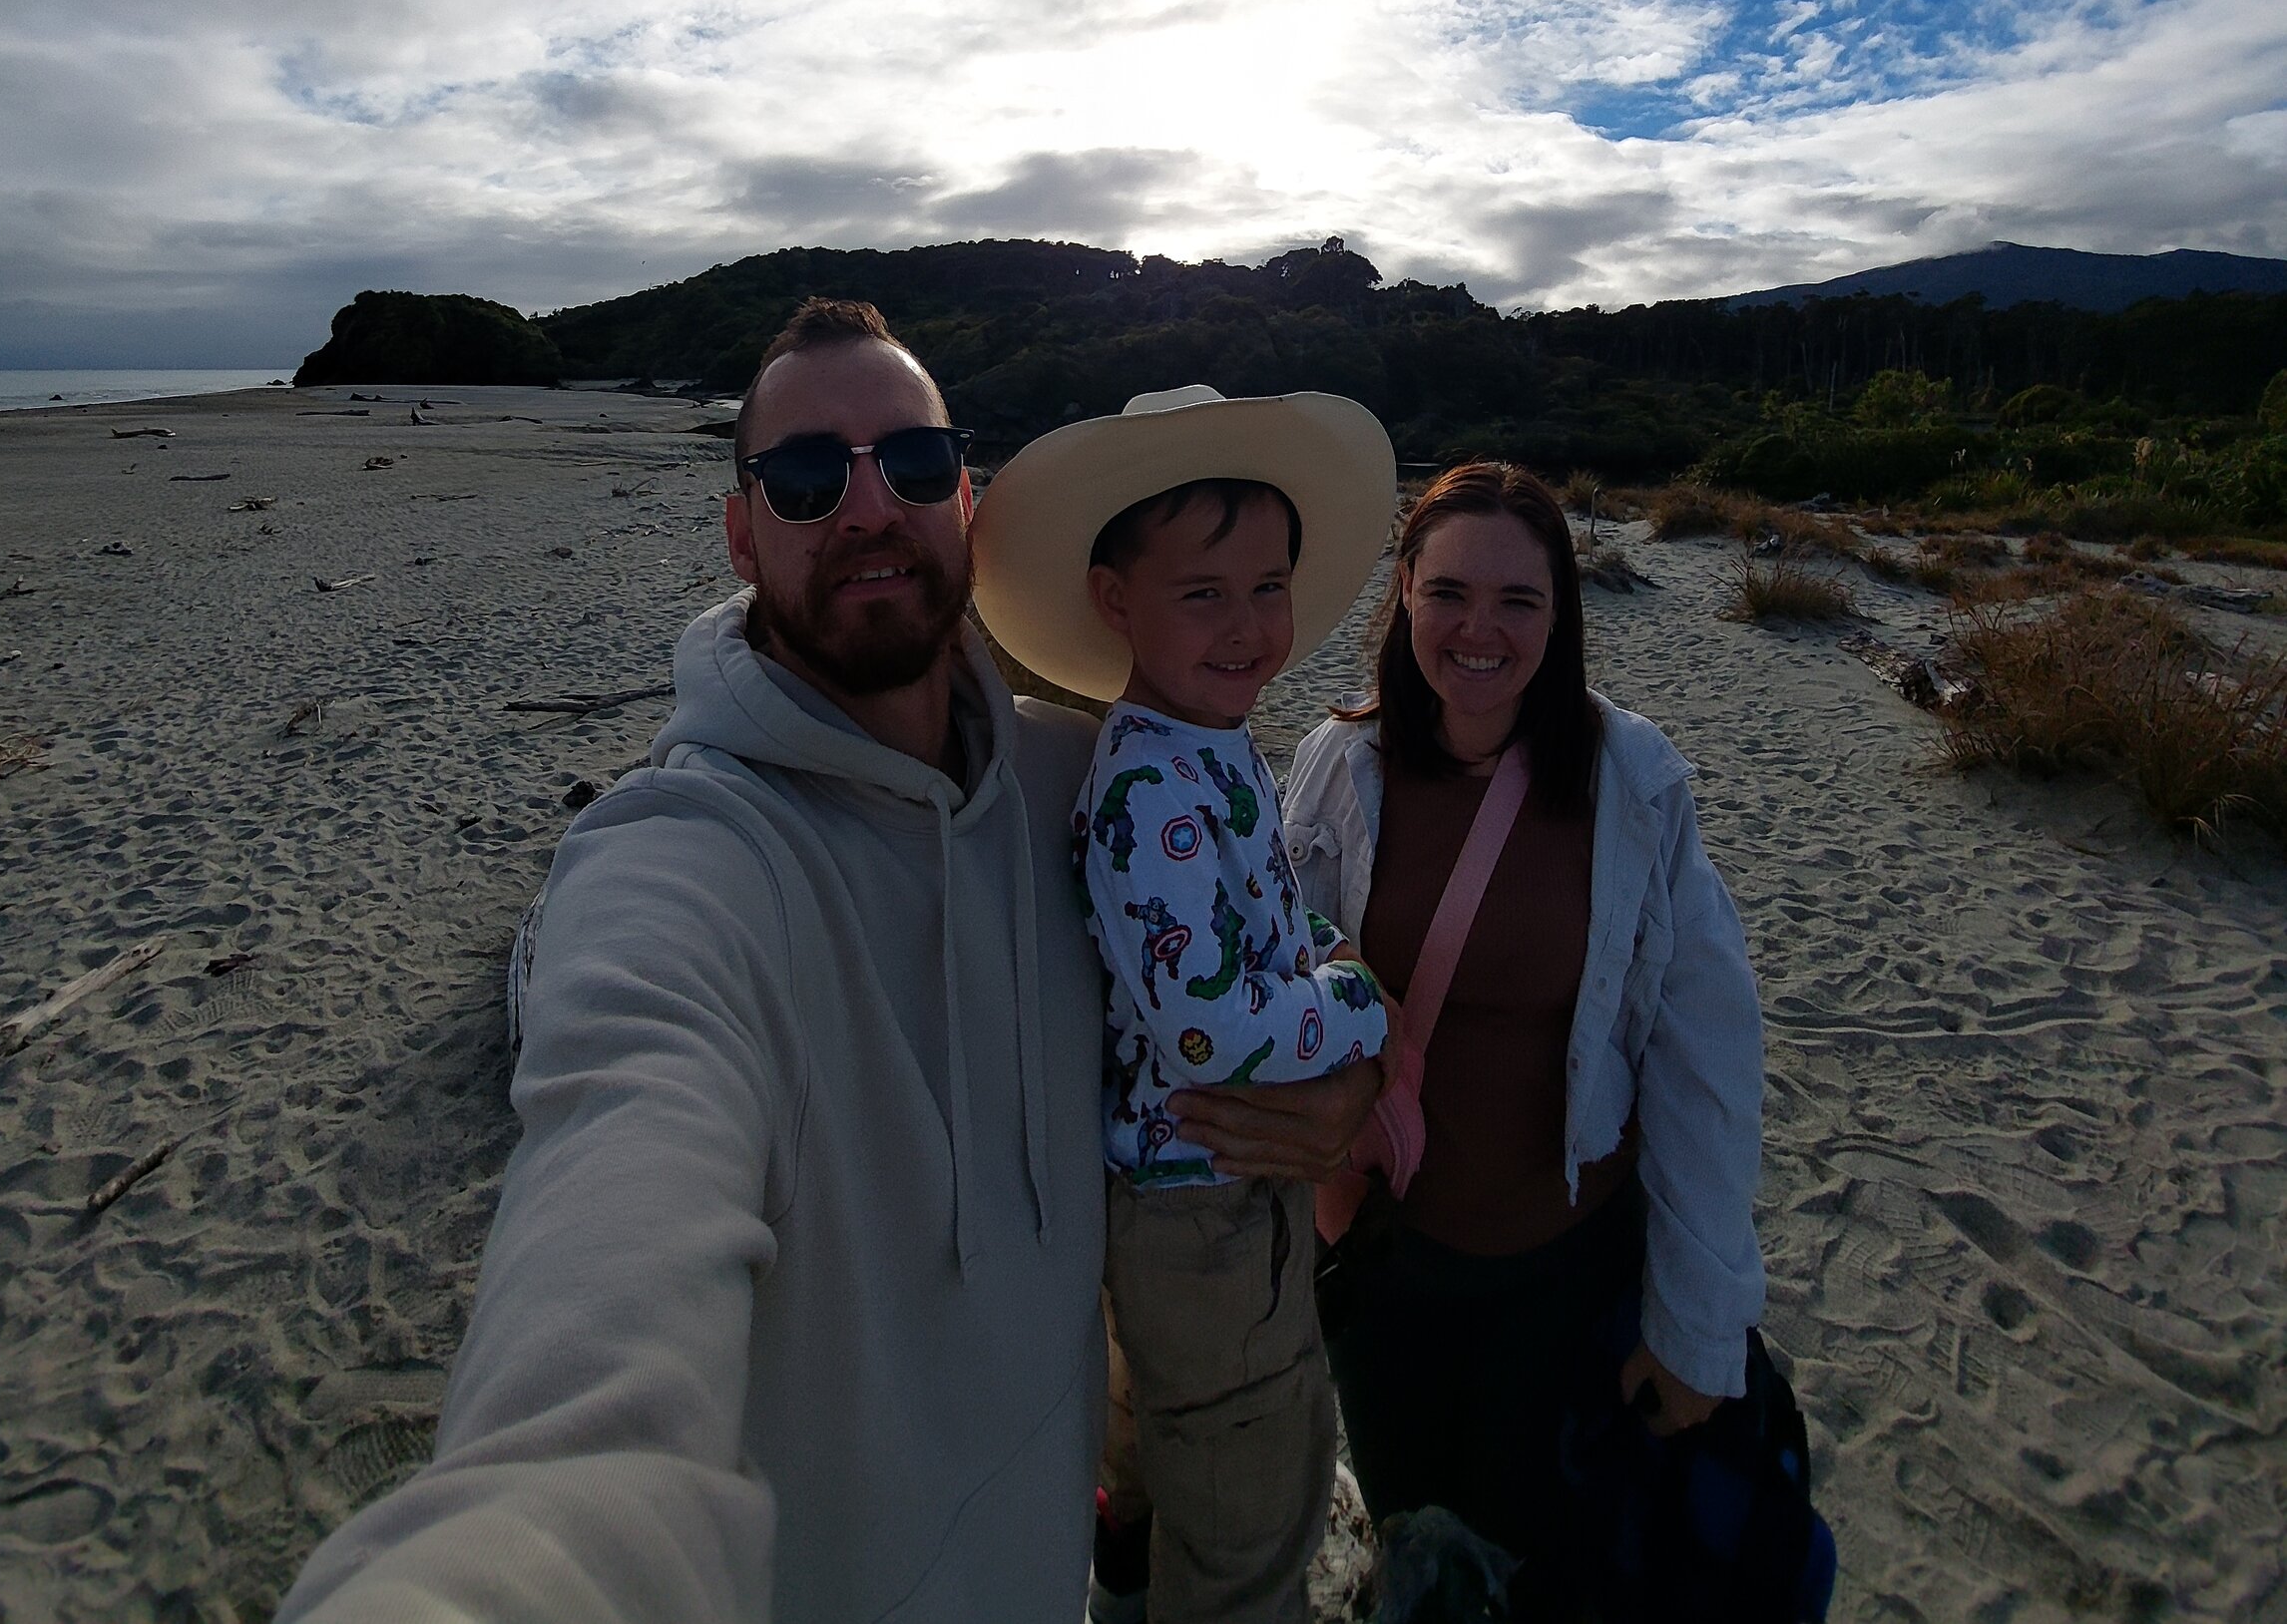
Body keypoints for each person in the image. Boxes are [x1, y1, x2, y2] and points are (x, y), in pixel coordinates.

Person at [275, 303, 1383, 1624]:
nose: (867, 506)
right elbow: (614, 1219)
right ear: (742, 530)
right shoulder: (680, 859)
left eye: (910, 464)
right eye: (808, 477)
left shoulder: (1075, 787)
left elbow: (1229, 965)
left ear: (963, 503)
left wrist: (1337, 1087)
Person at [1279, 461, 1766, 1623]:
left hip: (1566, 1270)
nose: (1479, 631)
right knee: (1412, 1537)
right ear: (1403, 592)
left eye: (1519, 601)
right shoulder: (1336, 765)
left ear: (1563, 615)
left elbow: (1704, 1053)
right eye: (1448, 593)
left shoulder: (1632, 782)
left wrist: (1696, 1326)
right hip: (1384, 1269)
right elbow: (1275, 959)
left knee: (1538, 1553)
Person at [973, 385, 1401, 1624]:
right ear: (1116, 602)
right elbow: (1208, 1024)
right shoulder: (1153, 784)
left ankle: (1121, 1581)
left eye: (1268, 587)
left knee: (1164, 1453)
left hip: (1190, 1193)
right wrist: (1360, 1002)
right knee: (1253, 1493)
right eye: (1202, 593)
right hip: (1201, 1205)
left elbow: (1257, 915)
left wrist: (1318, 953)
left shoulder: (1210, 744)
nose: (1247, 625)